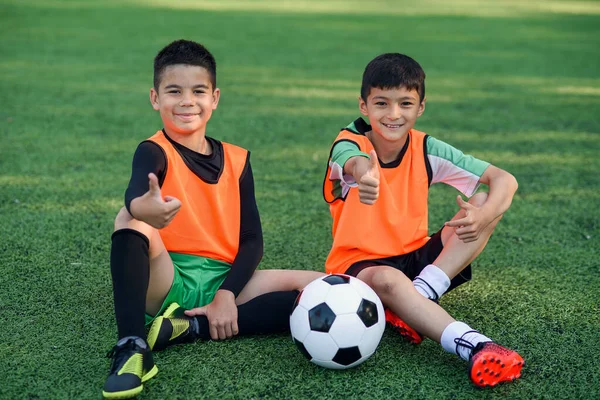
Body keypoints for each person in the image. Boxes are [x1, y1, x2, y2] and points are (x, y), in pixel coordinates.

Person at [102, 39, 323, 399]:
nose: (187, 101)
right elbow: (134, 197)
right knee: (128, 219)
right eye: (174, 91)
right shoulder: (153, 150)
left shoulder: (237, 159)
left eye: (198, 91)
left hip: (223, 275)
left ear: (215, 98)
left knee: (322, 286)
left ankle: (189, 328)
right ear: (155, 98)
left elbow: (252, 240)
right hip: (166, 276)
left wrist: (226, 293)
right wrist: (147, 208)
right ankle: (132, 345)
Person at [322, 53, 524, 387]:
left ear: (421, 108)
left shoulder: (426, 147)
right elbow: (351, 161)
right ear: (363, 106)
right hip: (360, 268)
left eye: (405, 103)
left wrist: (483, 216)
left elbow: (505, 180)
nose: (393, 114)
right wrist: (365, 174)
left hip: (416, 260)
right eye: (382, 103)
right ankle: (474, 344)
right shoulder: (349, 142)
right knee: (388, 280)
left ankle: (422, 293)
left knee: (484, 200)